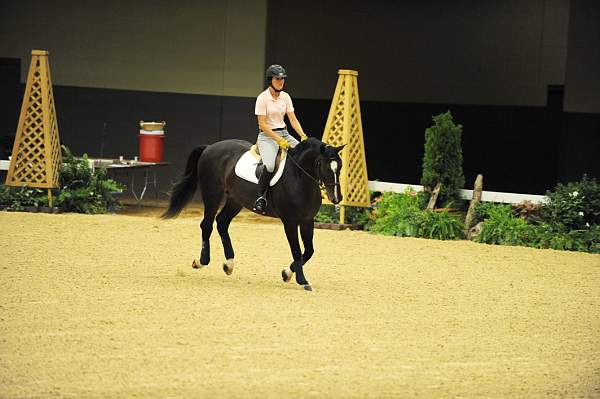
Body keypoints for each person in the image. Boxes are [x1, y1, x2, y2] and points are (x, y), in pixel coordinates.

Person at [252, 64, 308, 214]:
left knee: (305, 156)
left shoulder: (286, 97)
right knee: (269, 166)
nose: (281, 81)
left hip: (285, 134)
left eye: (283, 79)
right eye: (278, 79)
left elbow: (293, 120)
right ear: (270, 80)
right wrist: (278, 139)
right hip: (267, 136)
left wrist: (302, 135)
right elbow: (262, 125)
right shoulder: (262, 98)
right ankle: (260, 197)